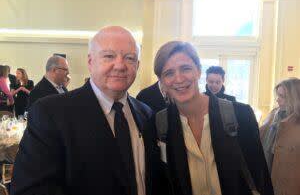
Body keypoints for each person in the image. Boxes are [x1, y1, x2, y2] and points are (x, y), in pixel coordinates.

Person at [11, 26, 160, 195]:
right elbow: (31, 189)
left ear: (137, 65)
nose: (120, 65)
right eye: (109, 56)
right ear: (90, 62)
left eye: (130, 58)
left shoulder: (146, 114)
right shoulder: (51, 113)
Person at [154, 41, 273, 195]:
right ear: (161, 81)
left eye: (185, 68)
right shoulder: (158, 125)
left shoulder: (241, 115)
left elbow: (260, 176)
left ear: (198, 71)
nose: (179, 78)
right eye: (169, 73)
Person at [260, 78, 300, 195]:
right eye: (278, 95)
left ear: (295, 98)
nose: (277, 100)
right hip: (267, 179)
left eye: (282, 96)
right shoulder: (274, 114)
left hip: (289, 186)